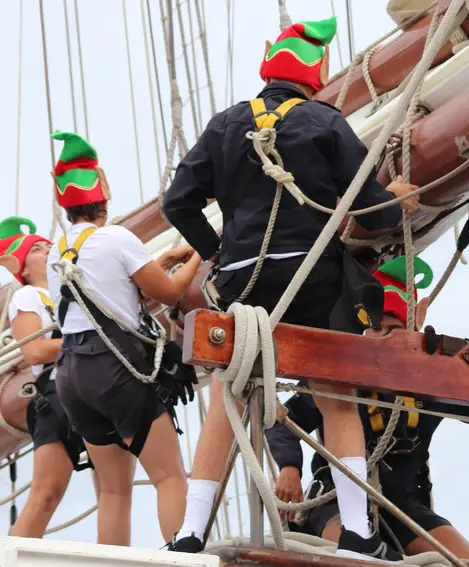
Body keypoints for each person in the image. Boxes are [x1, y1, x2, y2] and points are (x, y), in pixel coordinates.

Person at [162, 15, 418, 561]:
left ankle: (189, 535)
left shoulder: (226, 124)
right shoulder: (325, 123)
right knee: (338, 403)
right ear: (317, 74)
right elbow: (372, 217)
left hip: (242, 285)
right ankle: (357, 532)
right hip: (313, 284)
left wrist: (217, 252)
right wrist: (400, 202)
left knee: (225, 403)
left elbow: (176, 203)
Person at [266, 256, 469, 560]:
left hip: (402, 505)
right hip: (335, 500)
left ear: (413, 327)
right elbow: (282, 422)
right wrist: (289, 467)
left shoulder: (431, 381)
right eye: (376, 328)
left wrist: (461, 366)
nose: (381, 338)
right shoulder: (342, 375)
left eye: (392, 329)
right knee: (344, 554)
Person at [45, 130, 203, 545]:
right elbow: (168, 293)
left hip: (71, 375)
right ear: (105, 191)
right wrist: (200, 255)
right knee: (169, 477)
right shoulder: (116, 238)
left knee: (113, 490)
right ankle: (183, 557)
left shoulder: (56, 250)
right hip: (115, 369)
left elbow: (99, 291)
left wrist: (156, 261)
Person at [0, 216, 98, 539]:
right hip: (58, 392)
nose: (48, 249)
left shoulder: (76, 290)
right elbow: (35, 351)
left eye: (49, 246)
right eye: (38, 249)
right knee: (46, 493)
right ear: (22, 269)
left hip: (95, 388)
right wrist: (88, 338)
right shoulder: (29, 298)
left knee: (111, 488)